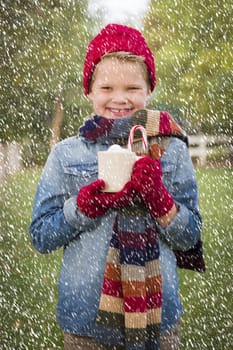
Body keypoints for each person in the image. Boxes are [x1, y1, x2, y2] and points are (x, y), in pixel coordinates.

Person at [30, 23, 202, 350]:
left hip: (158, 322)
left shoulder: (171, 150)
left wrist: (161, 203)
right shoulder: (66, 154)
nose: (119, 99)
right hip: (85, 324)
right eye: (107, 87)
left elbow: (189, 235)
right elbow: (41, 236)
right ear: (89, 91)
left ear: (149, 90)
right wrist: (83, 207)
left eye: (132, 88)